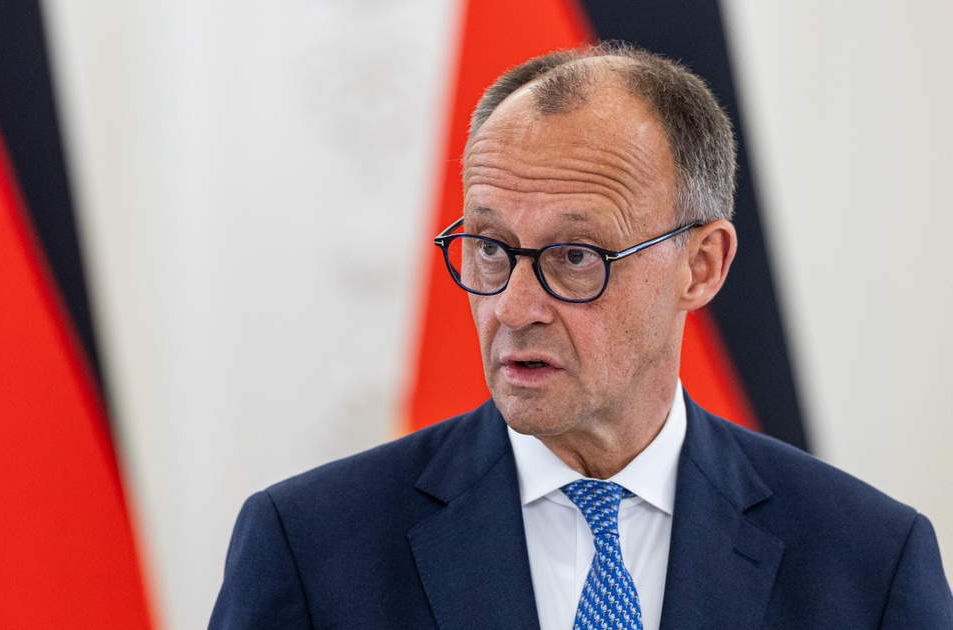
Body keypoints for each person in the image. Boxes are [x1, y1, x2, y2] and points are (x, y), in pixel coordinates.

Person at [208, 42, 953, 629]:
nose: (512, 308)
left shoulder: (869, 563)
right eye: (490, 247)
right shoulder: (309, 547)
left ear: (701, 266)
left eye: (574, 256)